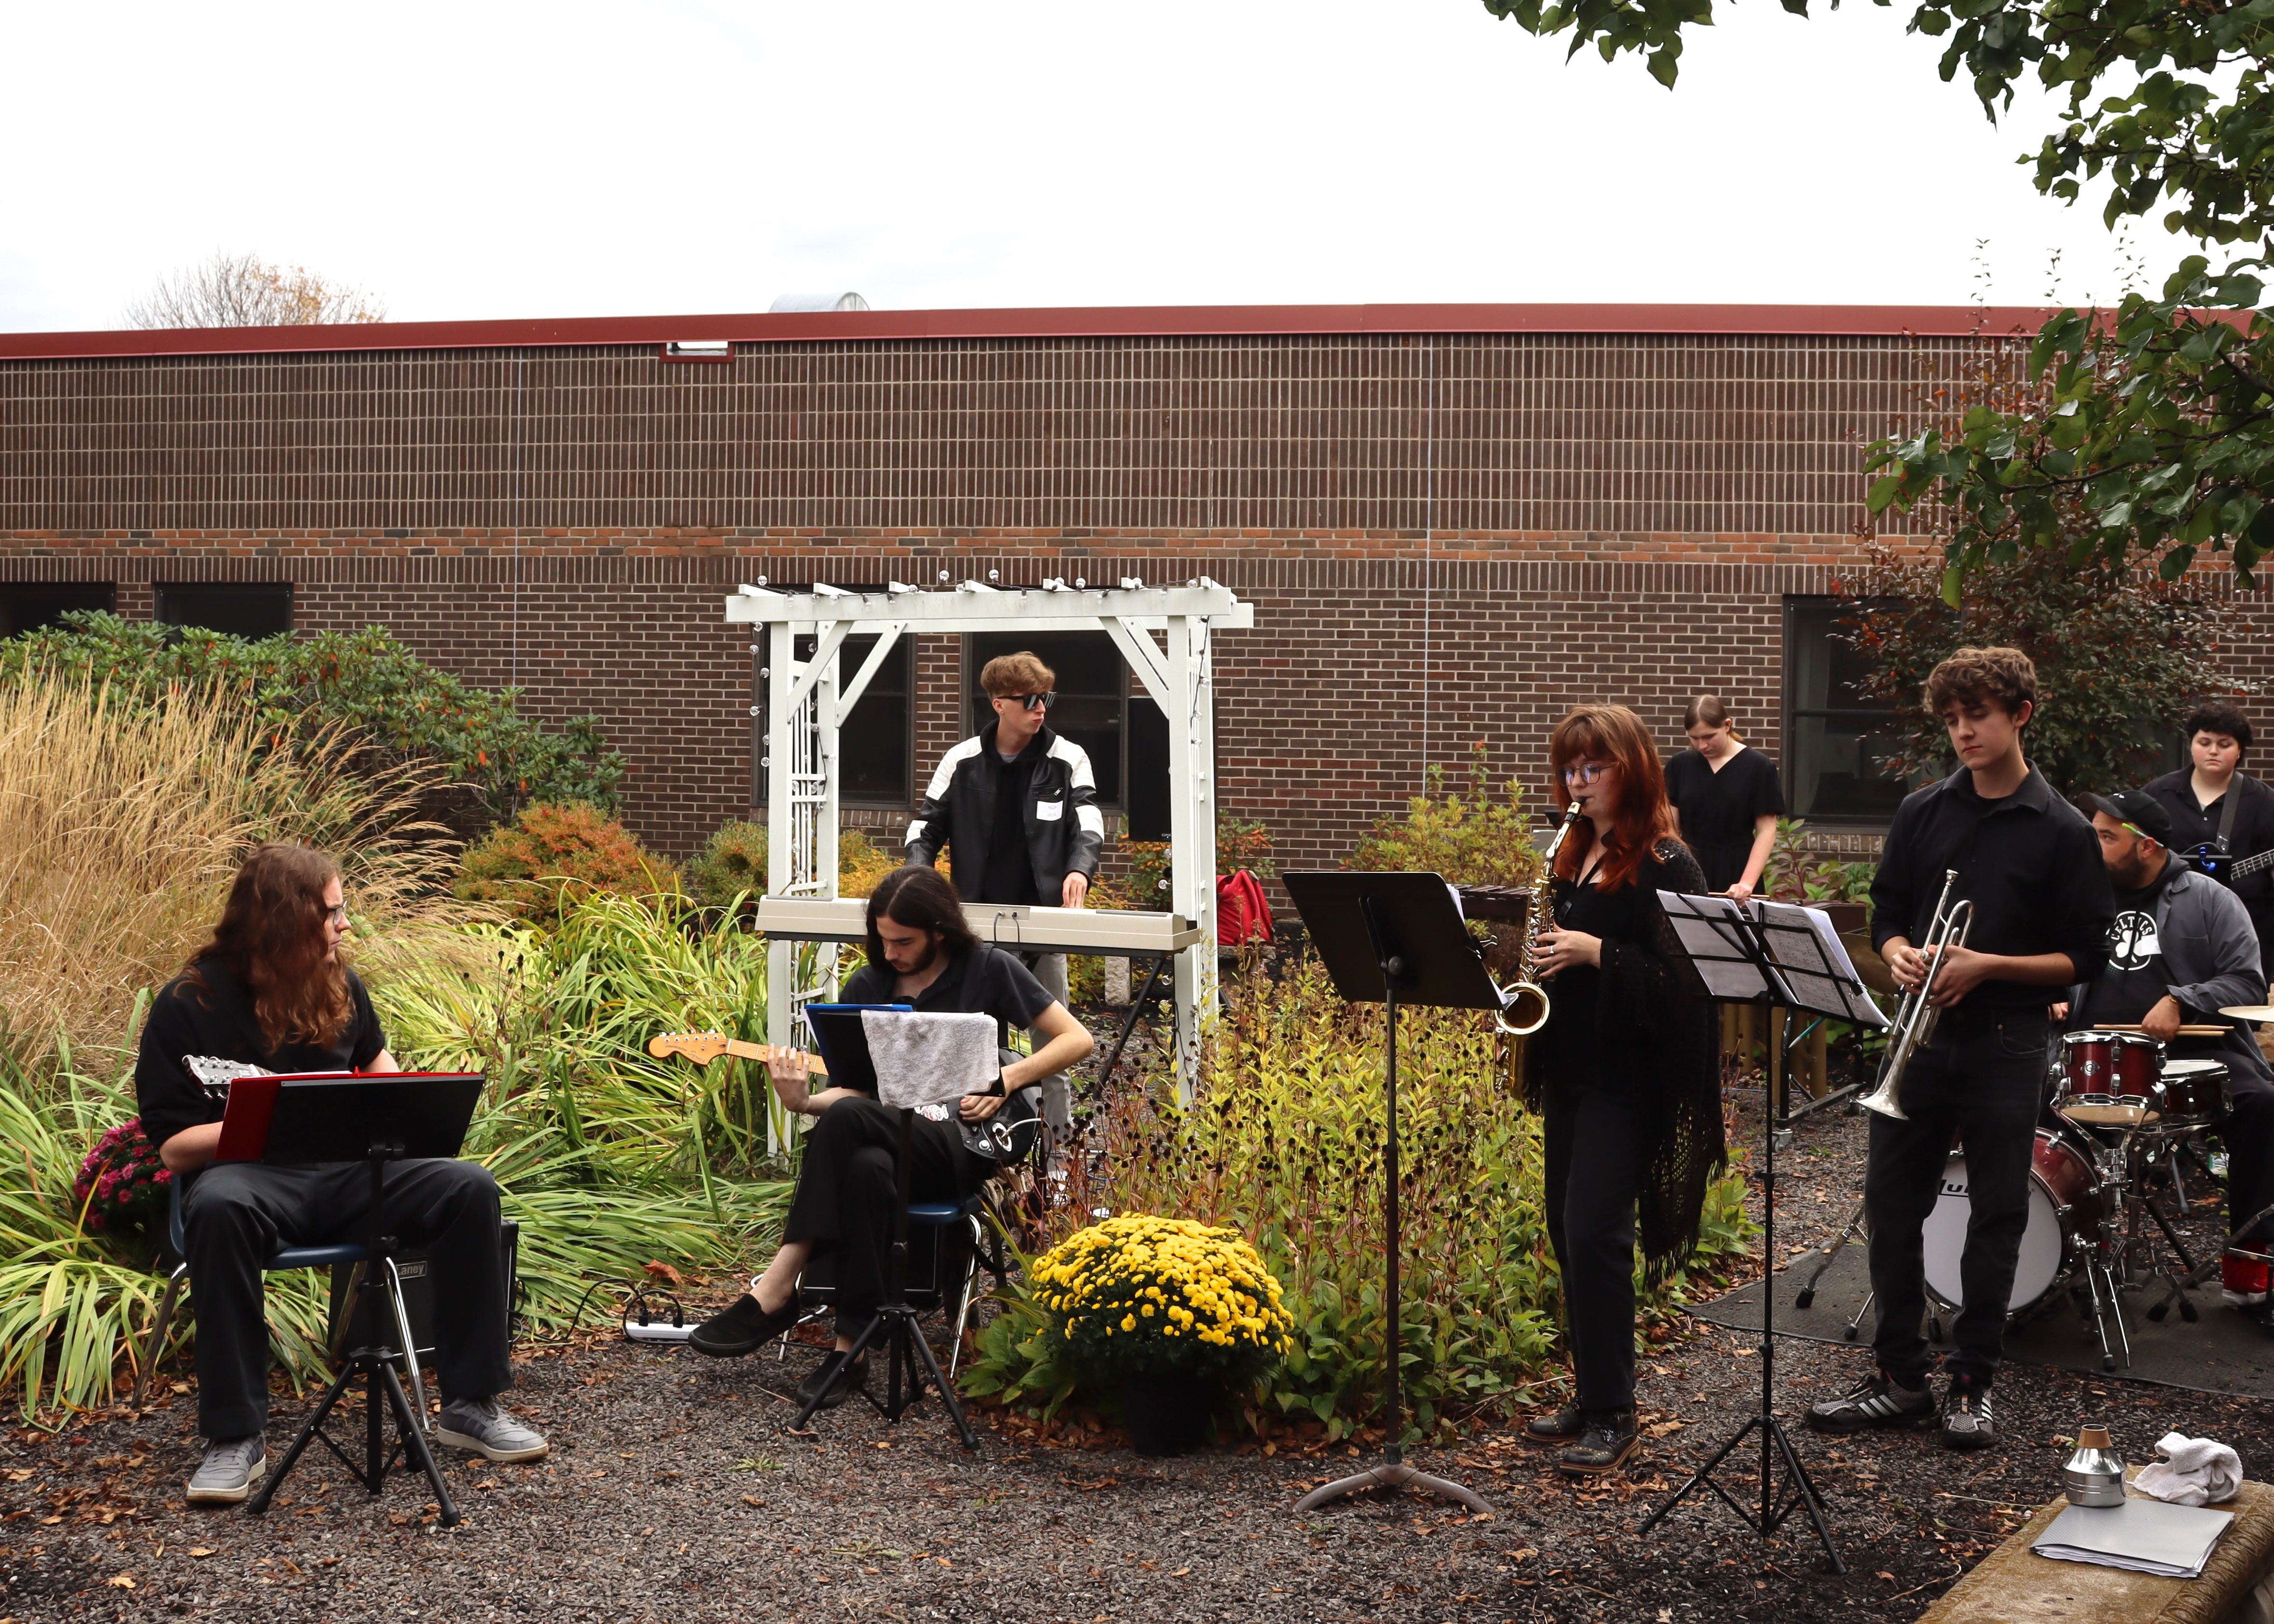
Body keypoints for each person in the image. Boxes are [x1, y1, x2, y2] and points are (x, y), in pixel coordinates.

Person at [136, 844, 543, 1507]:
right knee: (215, 1209)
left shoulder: (341, 987)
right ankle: (235, 1437)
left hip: (355, 1179)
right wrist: (270, 1122)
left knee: (469, 1187)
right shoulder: (191, 1003)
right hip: (254, 1181)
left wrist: (408, 1106)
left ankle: (470, 1404)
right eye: (333, 912)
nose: (345, 925)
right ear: (285, 920)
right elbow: (176, 1149)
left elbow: (387, 1084)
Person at [1807, 647, 2113, 1452]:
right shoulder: (1921, 812)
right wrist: (1902, 949)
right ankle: (1899, 1378)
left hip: (2007, 1039)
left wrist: (1988, 966)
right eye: (1950, 718)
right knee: (1891, 1205)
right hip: (1919, 1039)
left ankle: (1972, 1380)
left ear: (2019, 713)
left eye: (1976, 714)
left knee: (1997, 1213)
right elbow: (1887, 912)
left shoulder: (2063, 830)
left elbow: (2087, 957)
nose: (1962, 731)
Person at [687, 867, 1095, 1405]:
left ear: (939, 932)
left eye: (904, 941)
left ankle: (780, 1282)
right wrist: (803, 1102)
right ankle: (848, 1349)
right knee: (864, 1166)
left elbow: (1077, 1039)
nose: (891, 952)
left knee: (852, 1128)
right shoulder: (869, 988)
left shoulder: (987, 969)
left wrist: (1006, 1078)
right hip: (890, 1139)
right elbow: (854, 1097)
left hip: (964, 1139)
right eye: (882, 939)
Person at [1518, 704, 1721, 1476]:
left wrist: (1596, 949)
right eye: (1569, 769)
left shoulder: (1669, 863)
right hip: (1571, 1067)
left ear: (1630, 769)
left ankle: (1616, 1411)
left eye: (1592, 768)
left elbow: (1687, 986)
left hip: (1629, 1080)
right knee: (1568, 1231)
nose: (1578, 782)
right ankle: (1592, 1391)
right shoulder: (1572, 853)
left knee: (1598, 1233)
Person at [2062, 790, 2274, 1305]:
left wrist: (2182, 1000)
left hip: (2191, 1059)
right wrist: (2047, 996)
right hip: (2085, 1056)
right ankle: (2050, 1259)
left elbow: (2248, 982)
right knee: (2015, 1102)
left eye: (2107, 836)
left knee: (2264, 1107)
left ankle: (2249, 1272)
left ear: (2148, 847)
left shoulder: (2208, 898)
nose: (2094, 844)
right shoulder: (2078, 895)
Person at [904, 650, 1103, 1152]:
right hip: (973, 927)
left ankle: (1058, 1164)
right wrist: (919, 885)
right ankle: (962, 1146)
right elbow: (924, 828)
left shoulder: (1067, 758)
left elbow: (1089, 821)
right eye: (1030, 700)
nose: (1041, 709)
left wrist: (1079, 869)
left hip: (1042, 925)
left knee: (1054, 1050)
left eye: (1046, 699)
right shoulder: (961, 759)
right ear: (998, 704)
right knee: (963, 1043)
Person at [2143, 705, 2274, 983]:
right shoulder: (2159, 794)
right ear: (2191, 746)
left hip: (2243, 930)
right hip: (2167, 928)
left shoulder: (2263, 801)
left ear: (2239, 751)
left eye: (2224, 744)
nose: (2213, 750)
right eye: (2204, 742)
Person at [1665, 694, 1785, 902]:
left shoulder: (1758, 767)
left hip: (1739, 869)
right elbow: (1670, 829)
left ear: (1727, 725)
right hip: (1689, 868)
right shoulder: (1679, 765)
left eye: (1709, 737)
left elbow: (1767, 830)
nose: (1702, 746)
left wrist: (1746, 883)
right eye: (1694, 738)